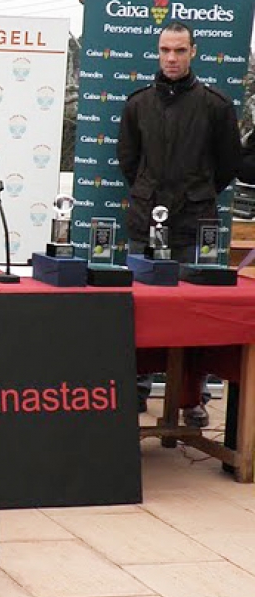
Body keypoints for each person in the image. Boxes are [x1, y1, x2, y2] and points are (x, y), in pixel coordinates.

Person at [117, 20, 240, 427]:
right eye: (166, 51)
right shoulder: (137, 104)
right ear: (158, 51)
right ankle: (134, 393)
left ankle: (192, 399)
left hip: (194, 225)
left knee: (194, 317)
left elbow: (226, 167)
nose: (172, 58)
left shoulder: (217, 106)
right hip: (144, 223)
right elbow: (128, 163)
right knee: (138, 313)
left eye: (180, 51)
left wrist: (195, 194)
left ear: (193, 52)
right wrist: (150, 196)